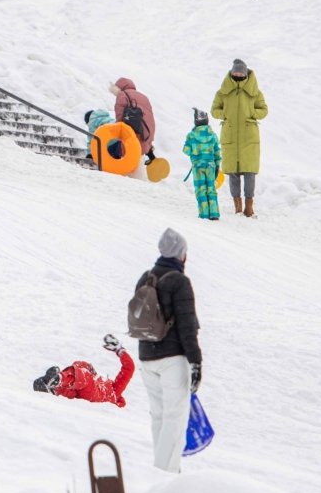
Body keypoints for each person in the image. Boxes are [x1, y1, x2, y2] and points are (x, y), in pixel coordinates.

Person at [134, 228, 202, 472]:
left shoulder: (146, 277)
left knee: (159, 416)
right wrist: (196, 363)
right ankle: (166, 475)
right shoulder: (179, 281)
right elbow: (187, 326)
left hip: (146, 358)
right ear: (181, 254)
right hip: (173, 359)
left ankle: (161, 469)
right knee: (175, 416)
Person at [211, 59, 267, 216]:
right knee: (233, 173)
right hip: (230, 136)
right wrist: (225, 115)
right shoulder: (222, 92)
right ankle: (237, 206)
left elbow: (264, 109)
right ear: (231, 72)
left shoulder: (255, 92)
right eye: (236, 72)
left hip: (249, 137)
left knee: (250, 172)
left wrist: (252, 114)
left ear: (246, 73)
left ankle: (249, 207)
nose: (238, 74)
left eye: (241, 72)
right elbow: (214, 110)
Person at [33, 335, 135, 407]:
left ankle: (59, 379)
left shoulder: (115, 392)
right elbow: (74, 394)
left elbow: (129, 368)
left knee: (83, 374)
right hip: (85, 392)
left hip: (94, 393)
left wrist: (119, 350)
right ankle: (52, 387)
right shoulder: (106, 386)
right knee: (79, 370)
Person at [182, 109, 222, 221]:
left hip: (198, 167)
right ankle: (214, 213)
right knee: (211, 189)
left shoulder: (192, 135)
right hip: (211, 165)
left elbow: (186, 150)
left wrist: (192, 146)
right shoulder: (213, 135)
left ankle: (204, 214)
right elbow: (217, 152)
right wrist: (217, 164)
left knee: (201, 189)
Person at [111, 77, 157, 160]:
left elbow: (120, 117)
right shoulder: (144, 97)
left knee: (111, 150)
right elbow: (150, 118)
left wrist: (118, 134)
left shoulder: (122, 95)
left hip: (134, 136)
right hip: (147, 136)